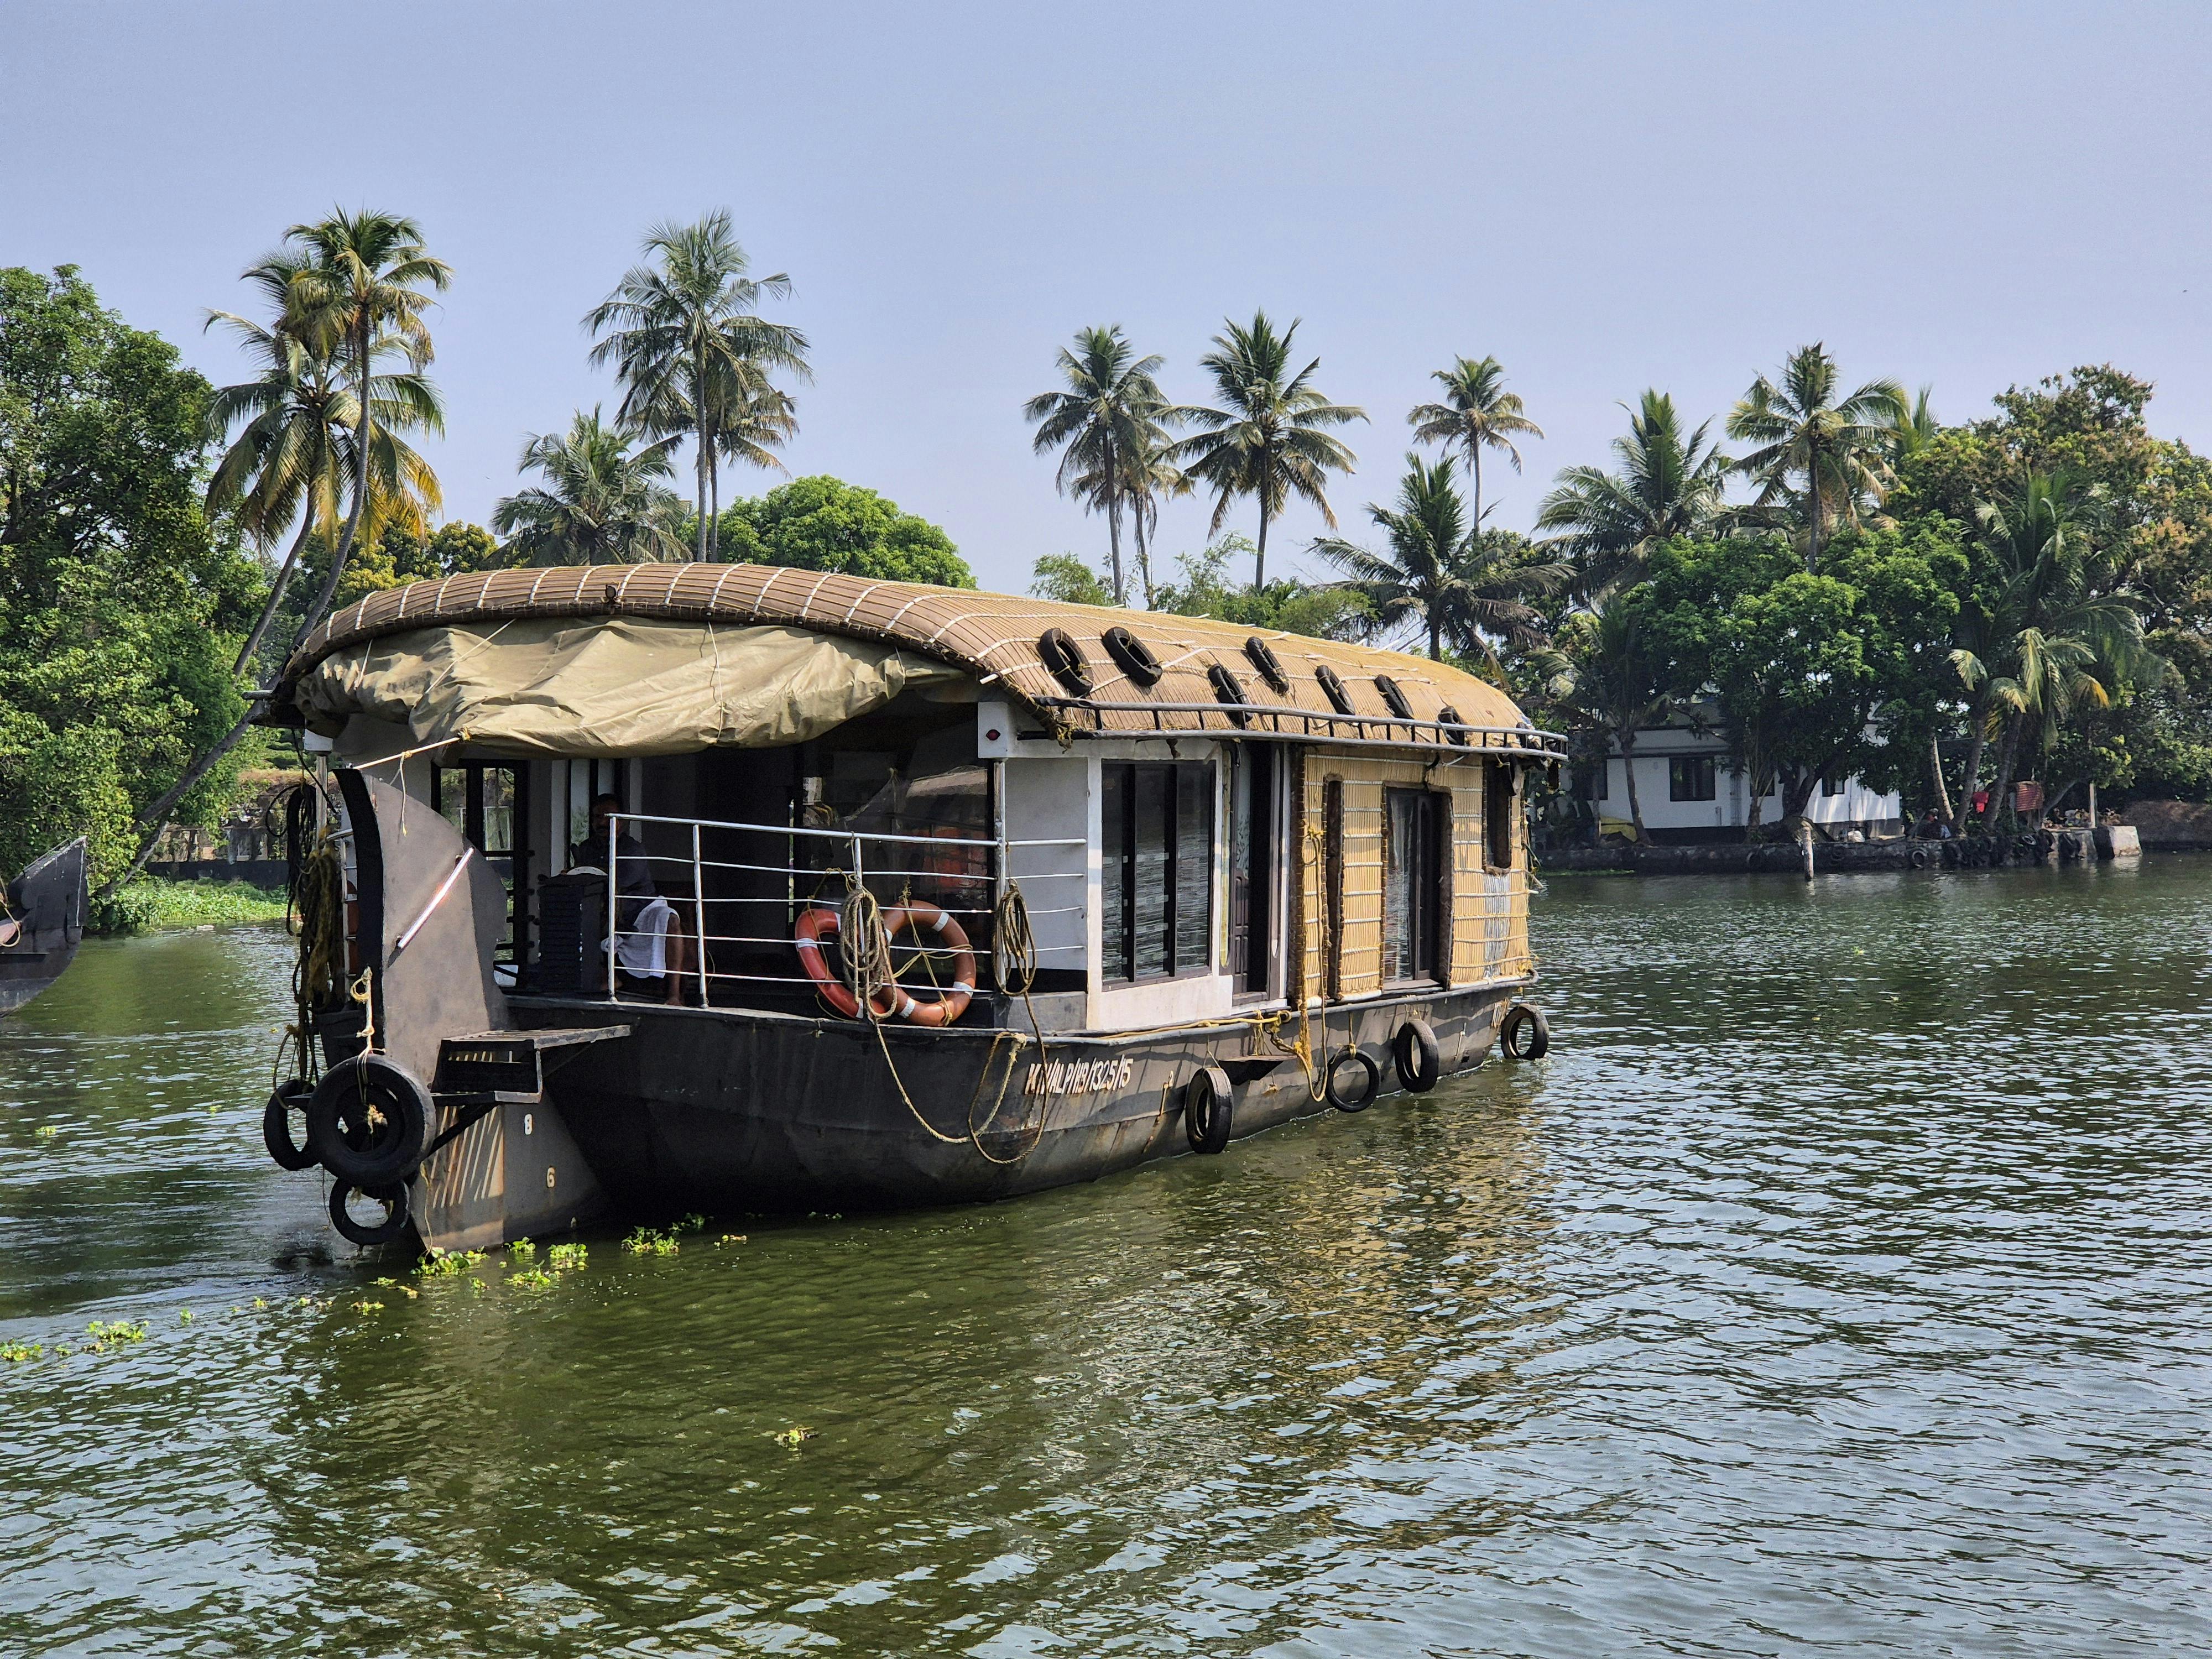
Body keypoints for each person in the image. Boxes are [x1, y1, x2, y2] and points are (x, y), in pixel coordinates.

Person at [573, 792, 696, 1005]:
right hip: (603, 912)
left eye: (607, 817)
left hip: (640, 911)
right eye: (596, 817)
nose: (601, 822)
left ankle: (675, 995)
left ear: (622, 820)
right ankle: (605, 980)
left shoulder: (632, 849)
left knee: (670, 920)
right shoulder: (586, 848)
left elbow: (617, 881)